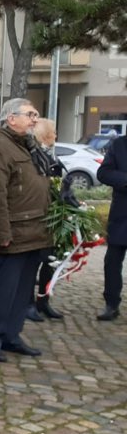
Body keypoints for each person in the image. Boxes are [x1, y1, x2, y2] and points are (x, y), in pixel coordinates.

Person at [0, 98, 51, 362]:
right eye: (30, 114)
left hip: (34, 232)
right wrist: (2, 233)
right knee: (2, 291)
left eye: (36, 114)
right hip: (12, 235)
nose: (35, 119)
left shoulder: (28, 147)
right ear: (11, 118)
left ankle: (11, 335)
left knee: (21, 293)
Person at [25, 118, 66, 321]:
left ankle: (43, 300)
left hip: (52, 219)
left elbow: (60, 186)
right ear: (44, 134)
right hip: (37, 218)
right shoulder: (34, 156)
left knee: (50, 262)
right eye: (53, 131)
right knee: (33, 264)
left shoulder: (51, 156)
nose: (56, 136)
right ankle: (28, 304)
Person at [97, 133, 127, 321]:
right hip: (122, 215)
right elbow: (104, 173)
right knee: (112, 262)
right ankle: (111, 303)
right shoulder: (119, 144)